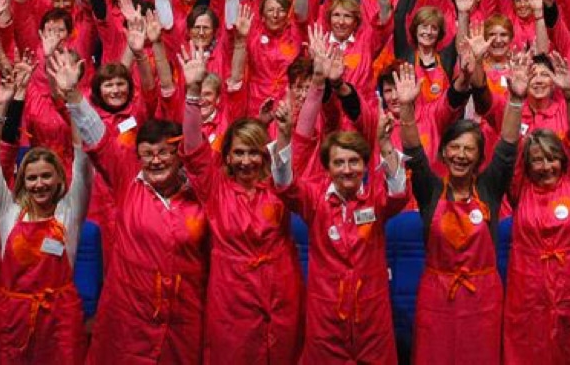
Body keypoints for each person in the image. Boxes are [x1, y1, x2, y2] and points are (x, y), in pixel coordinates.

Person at [58, 48, 209, 365]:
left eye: (163, 153)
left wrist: (193, 93)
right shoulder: (129, 180)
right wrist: (73, 94)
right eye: (147, 154)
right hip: (129, 316)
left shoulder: (201, 192)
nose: (156, 160)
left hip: (184, 317)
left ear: (178, 156)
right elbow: (97, 137)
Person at [178, 43, 305, 364]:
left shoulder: (278, 184)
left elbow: (296, 151)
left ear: (264, 153)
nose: (246, 160)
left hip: (280, 288)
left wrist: (287, 132)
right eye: (238, 152)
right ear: (228, 155)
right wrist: (192, 92)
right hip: (231, 293)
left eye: (253, 152)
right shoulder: (214, 185)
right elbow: (193, 148)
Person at [396, 47, 521, 365]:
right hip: (437, 298)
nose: (461, 155)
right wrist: (407, 110)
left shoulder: (490, 188)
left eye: (469, 150)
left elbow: (506, 149)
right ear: (444, 152)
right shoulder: (431, 190)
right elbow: (413, 153)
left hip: (483, 299)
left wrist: (516, 101)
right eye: (454, 148)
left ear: (480, 157)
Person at [282, 62, 410, 364]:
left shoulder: (374, 199)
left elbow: (399, 192)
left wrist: (383, 143)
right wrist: (286, 136)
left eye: (354, 162)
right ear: (327, 168)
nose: (347, 169)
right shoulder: (314, 198)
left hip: (372, 315)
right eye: (339, 163)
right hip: (326, 314)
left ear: (365, 166)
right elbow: (285, 186)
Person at [0, 57, 92, 364]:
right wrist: (2, 106)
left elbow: (83, 159)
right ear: (22, 181)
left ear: (59, 178)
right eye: (32, 178)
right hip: (13, 318)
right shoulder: (8, 212)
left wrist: (72, 97)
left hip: (61, 321)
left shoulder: (71, 210)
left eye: (46, 176)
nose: (39, 184)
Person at [503, 51, 570, 364]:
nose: (546, 166)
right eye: (538, 160)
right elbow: (509, 149)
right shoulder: (520, 186)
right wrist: (515, 98)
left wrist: (569, 93)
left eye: (551, 158)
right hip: (529, 284)